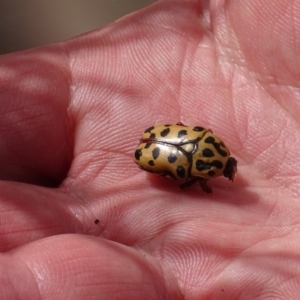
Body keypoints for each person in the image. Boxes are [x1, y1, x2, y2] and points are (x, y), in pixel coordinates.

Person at [0, 0, 299, 298]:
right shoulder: (204, 165)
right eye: (224, 168)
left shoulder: (212, 148)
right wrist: (199, 185)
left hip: (164, 142)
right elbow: (192, 176)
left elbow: (196, 160)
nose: (229, 171)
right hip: (162, 148)